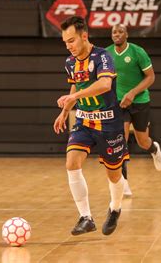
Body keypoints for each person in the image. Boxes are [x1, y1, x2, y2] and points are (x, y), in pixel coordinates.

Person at [53, 16, 129, 236]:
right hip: (84, 121)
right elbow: (75, 86)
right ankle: (86, 217)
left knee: (114, 174)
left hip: (109, 123)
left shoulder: (103, 57)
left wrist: (75, 95)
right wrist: (65, 110)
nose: (69, 46)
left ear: (84, 36)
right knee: (71, 163)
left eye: (72, 41)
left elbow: (105, 84)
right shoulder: (70, 63)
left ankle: (115, 208)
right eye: (65, 42)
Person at [106, 24, 161, 197]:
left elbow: (151, 77)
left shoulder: (138, 52)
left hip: (139, 101)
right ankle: (124, 182)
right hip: (118, 104)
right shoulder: (107, 53)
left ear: (127, 34)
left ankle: (154, 148)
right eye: (114, 32)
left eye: (120, 32)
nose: (117, 34)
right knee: (120, 142)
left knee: (142, 141)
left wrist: (132, 93)